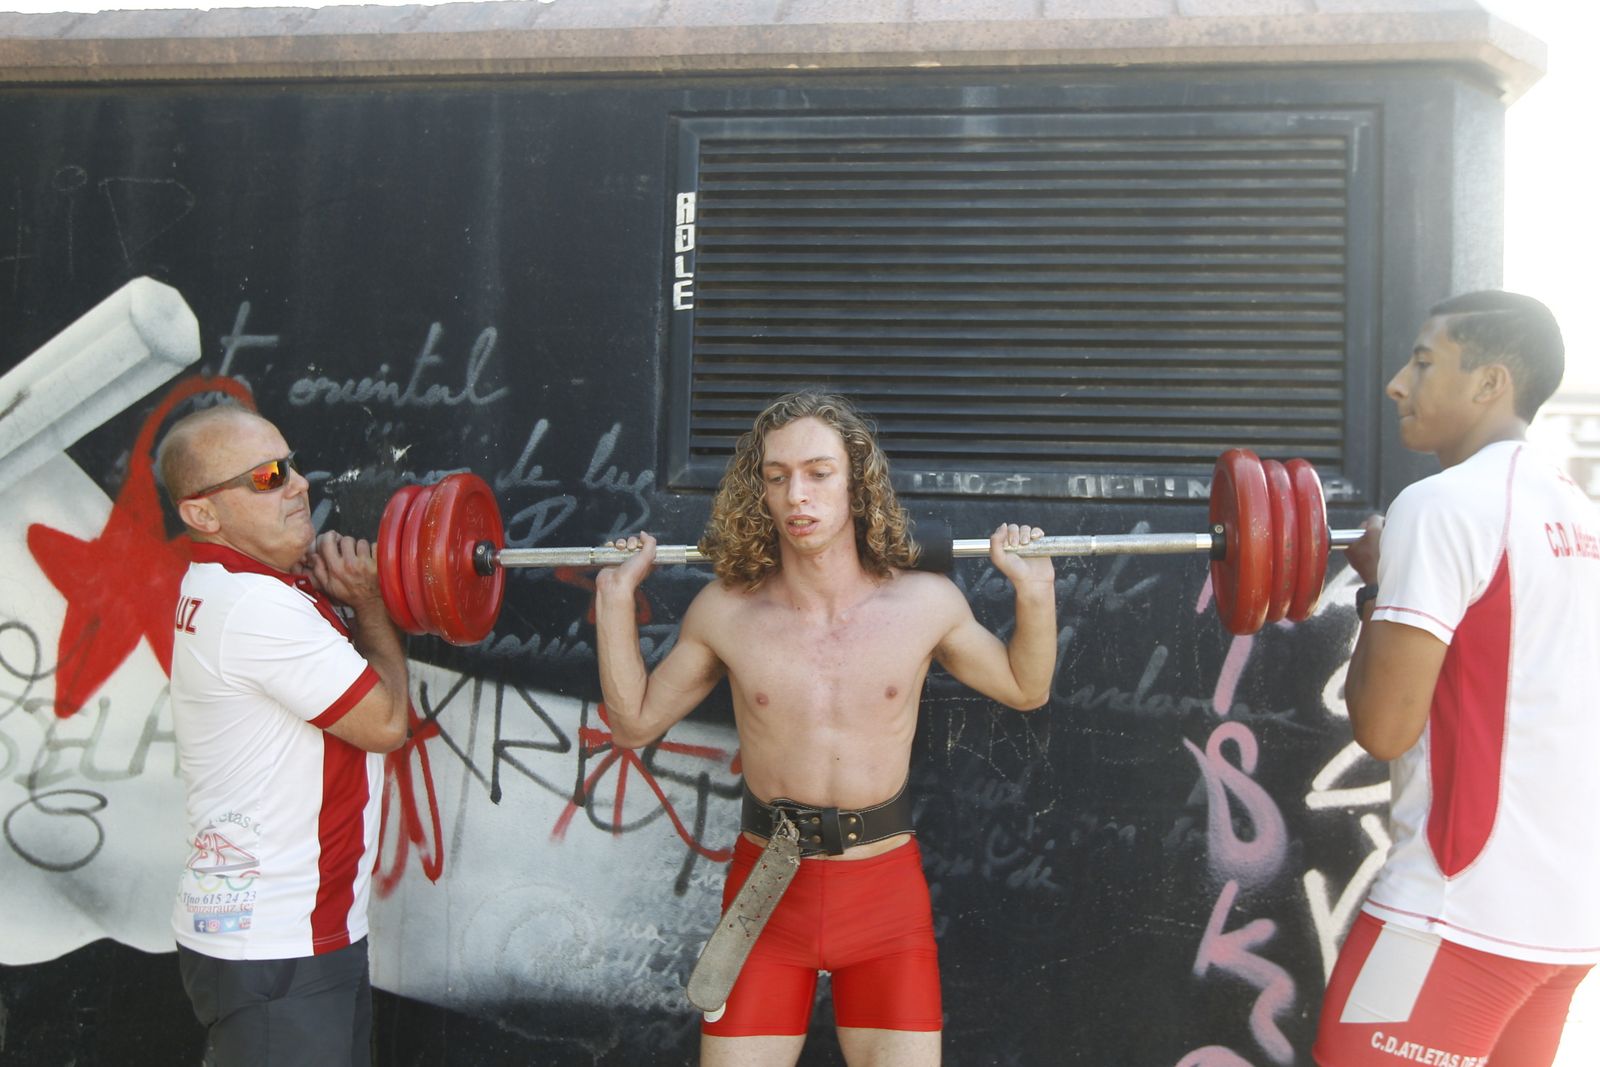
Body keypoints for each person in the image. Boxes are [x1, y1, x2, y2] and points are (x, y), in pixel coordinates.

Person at [595, 390, 1058, 1067]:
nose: (796, 496)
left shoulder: (925, 602)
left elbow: (1026, 686)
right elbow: (633, 723)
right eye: (777, 477)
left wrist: (1034, 593)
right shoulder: (726, 611)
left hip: (883, 905)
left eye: (818, 472)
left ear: (856, 481)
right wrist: (614, 602)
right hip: (766, 900)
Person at [1314, 291, 1600, 1067]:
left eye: (1424, 360)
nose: (1397, 383)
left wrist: (1376, 592)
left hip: (1451, 917)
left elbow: (1383, 726)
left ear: (1490, 383)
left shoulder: (1441, 505)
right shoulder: (1580, 514)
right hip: (1565, 929)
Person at [156, 402, 410, 1067]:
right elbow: (385, 722)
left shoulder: (237, 583)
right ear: (203, 513)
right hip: (279, 947)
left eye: (289, 464)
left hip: (282, 940)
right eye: (266, 476)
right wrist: (372, 606)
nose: (298, 483)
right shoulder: (256, 606)